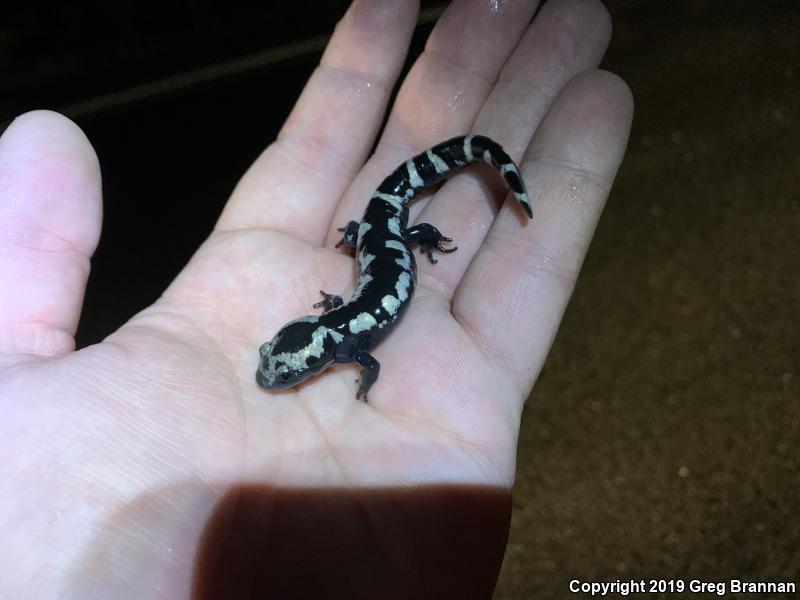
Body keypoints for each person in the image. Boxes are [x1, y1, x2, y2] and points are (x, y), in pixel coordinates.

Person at [0, 0, 632, 597]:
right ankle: (436, 198)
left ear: (313, 348)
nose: (278, 371)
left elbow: (367, 354)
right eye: (283, 363)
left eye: (285, 363)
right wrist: (357, 332)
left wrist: (397, 268)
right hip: (379, 240)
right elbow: (360, 345)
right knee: (383, 241)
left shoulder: (347, 340)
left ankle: (467, 182)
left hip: (387, 234)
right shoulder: (343, 337)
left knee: (399, 230)